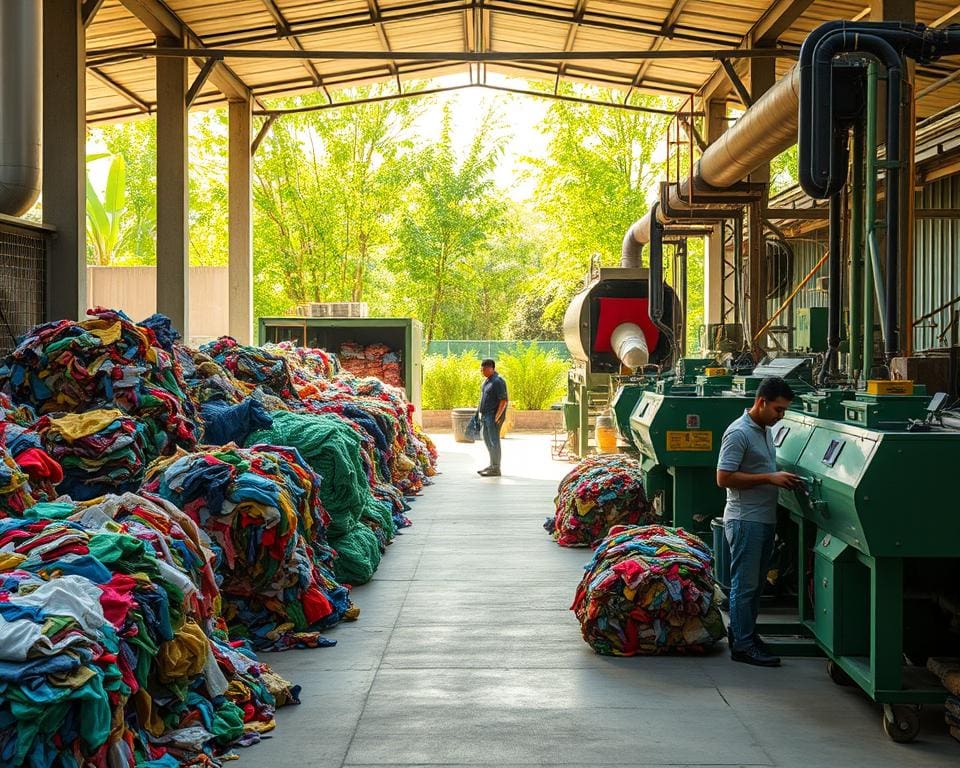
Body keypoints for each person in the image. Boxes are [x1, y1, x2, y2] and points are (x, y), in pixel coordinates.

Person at [716, 376, 801, 667]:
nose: (781, 416)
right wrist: (769, 478)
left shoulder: (764, 430)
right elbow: (723, 477)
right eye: (778, 409)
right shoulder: (738, 433)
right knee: (746, 585)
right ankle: (742, 644)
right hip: (745, 520)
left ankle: (746, 633)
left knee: (755, 586)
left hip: (763, 519)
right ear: (762, 402)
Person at [476, 358, 508, 477]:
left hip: (492, 416)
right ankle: (492, 464)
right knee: (487, 440)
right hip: (485, 416)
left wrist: (497, 417)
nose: (481, 371)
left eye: (483, 369)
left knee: (494, 442)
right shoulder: (487, 381)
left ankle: (496, 468)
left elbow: (503, 401)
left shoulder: (498, 381)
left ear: (490, 368)